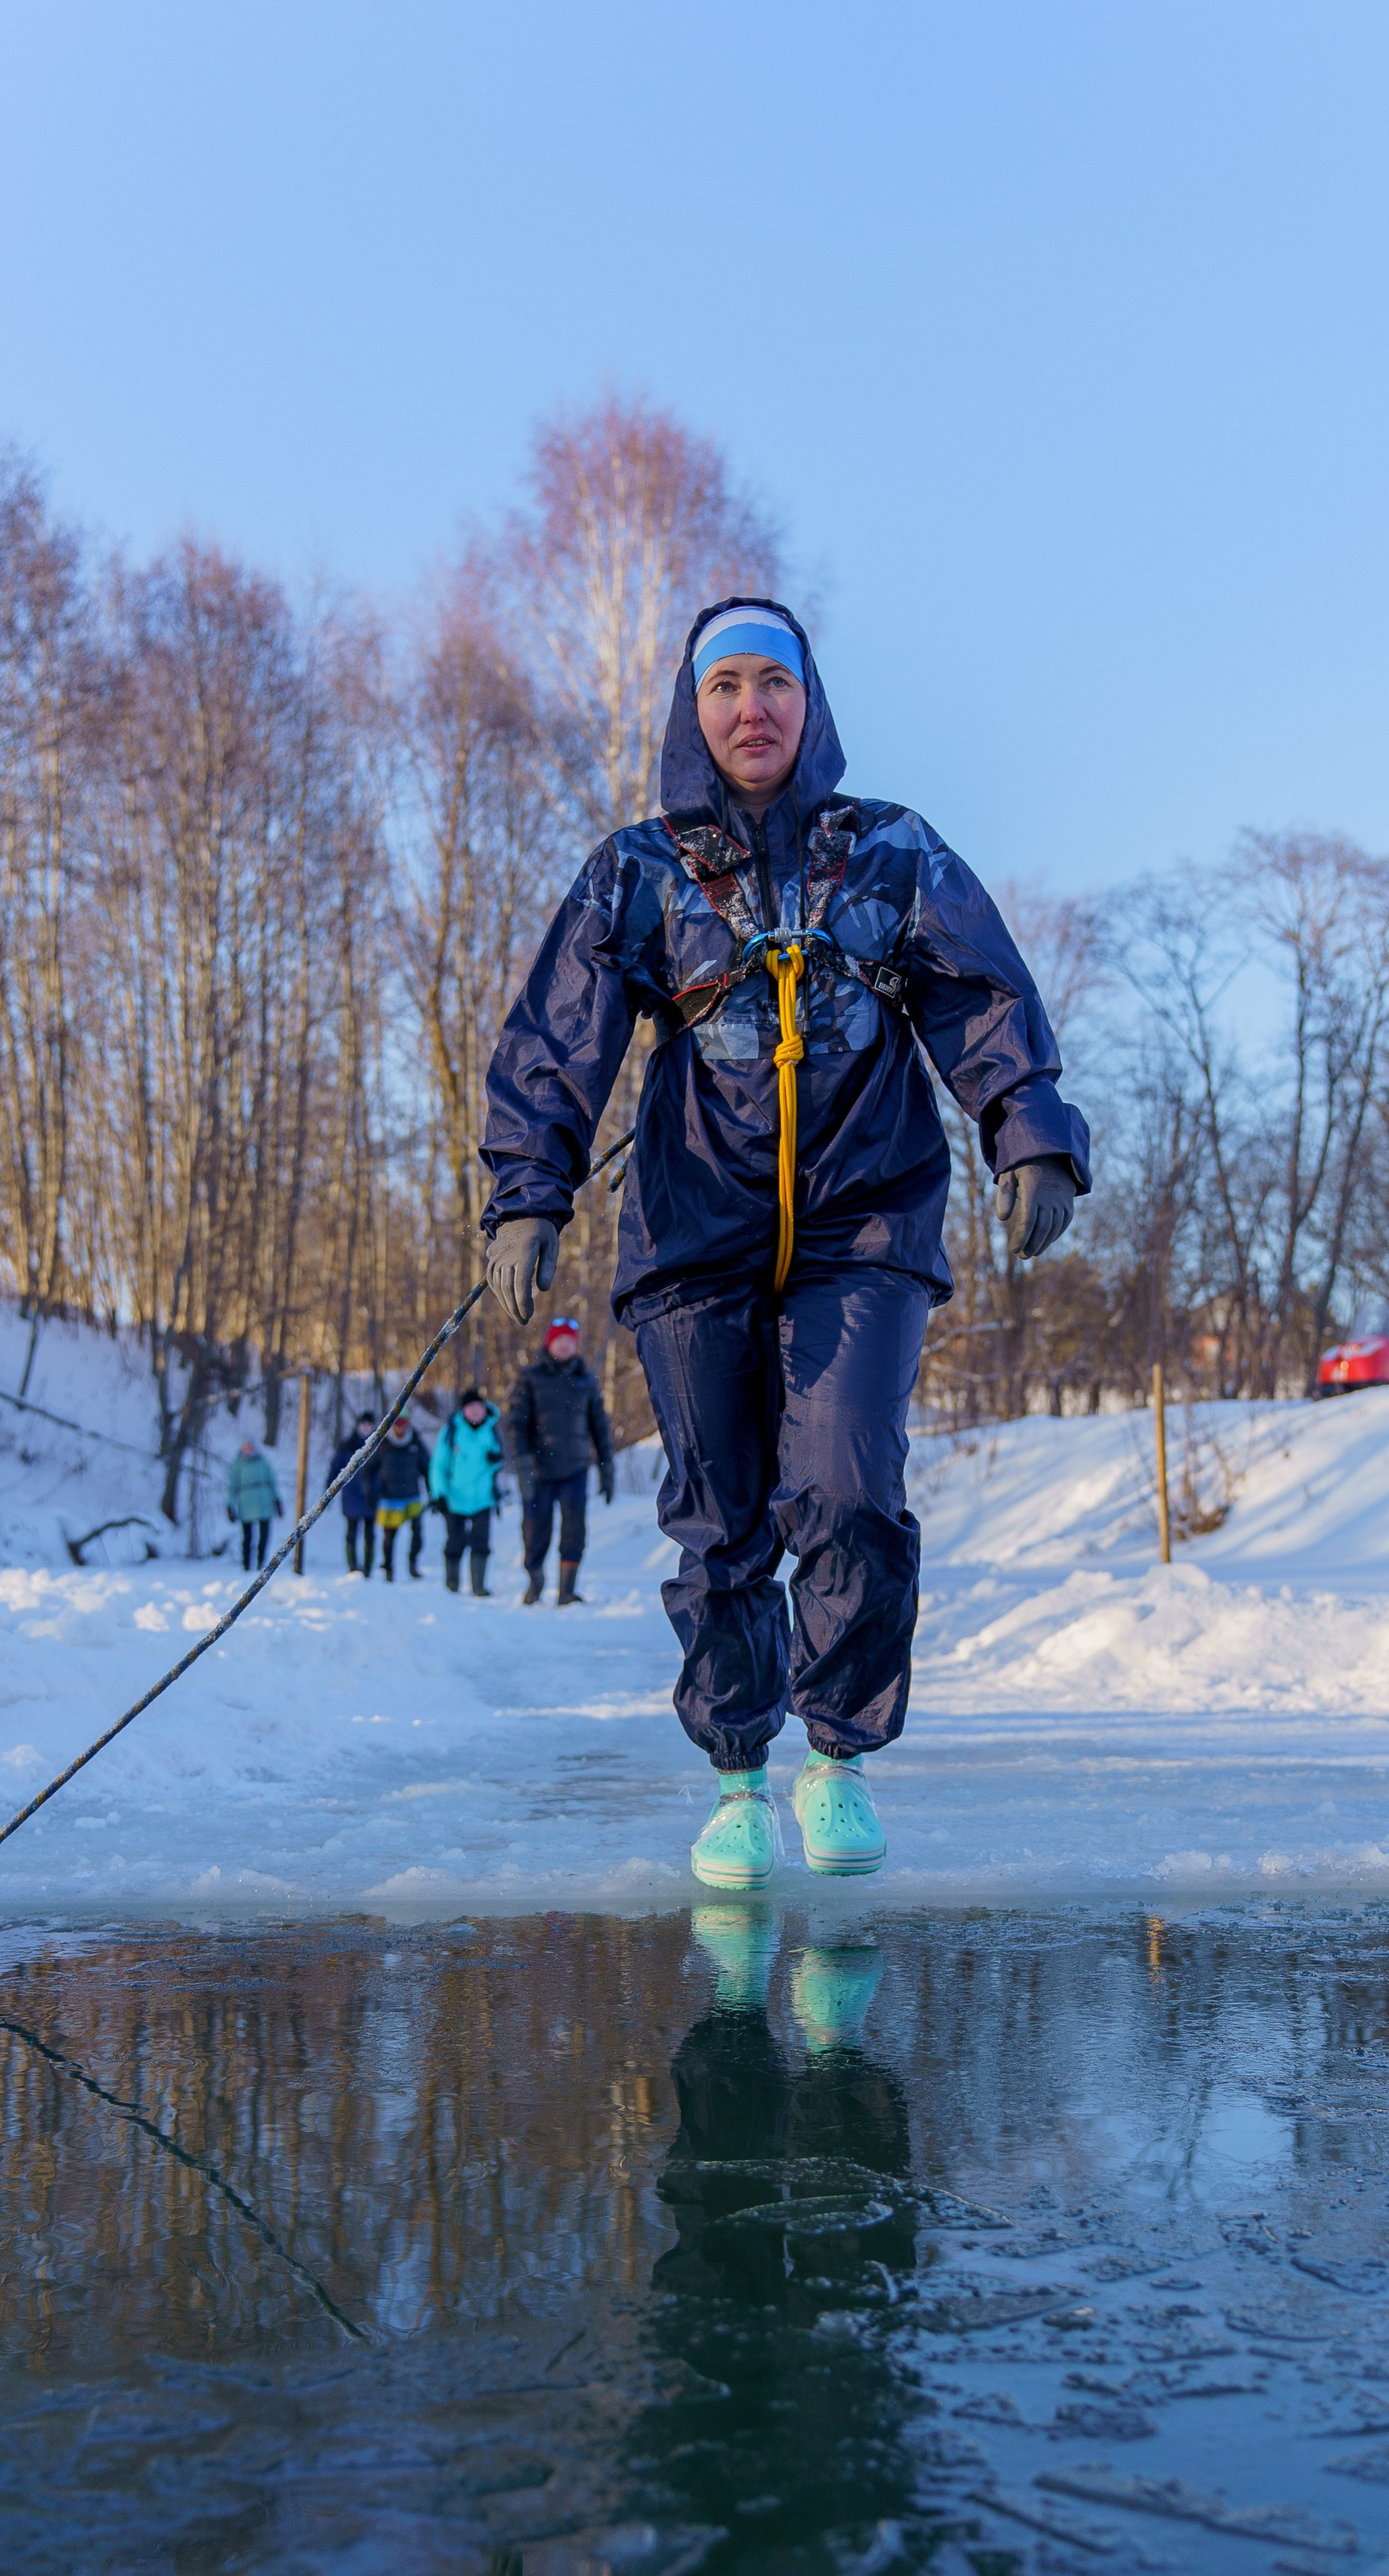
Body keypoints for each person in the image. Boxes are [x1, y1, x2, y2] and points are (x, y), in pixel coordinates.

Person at [480, 596, 1086, 1888]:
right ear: (692, 712)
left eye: (775, 682)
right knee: (720, 1516)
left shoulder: (892, 853)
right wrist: (530, 1190)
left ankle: (839, 1759)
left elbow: (982, 998)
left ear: (811, 704)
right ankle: (738, 1782)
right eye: (725, 686)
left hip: (866, 1225)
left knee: (849, 1489)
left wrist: (1027, 1127)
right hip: (694, 1233)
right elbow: (560, 1033)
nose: (751, 707)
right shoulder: (637, 870)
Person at [504, 1318, 614, 1606]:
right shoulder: (530, 1377)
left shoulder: (587, 1380)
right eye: (559, 1340)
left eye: (570, 1340)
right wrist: (522, 1464)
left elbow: (600, 1427)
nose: (564, 1345)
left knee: (574, 1531)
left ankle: (567, 1590)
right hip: (538, 1469)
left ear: (575, 1345)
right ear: (549, 1342)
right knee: (535, 1529)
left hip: (575, 1469)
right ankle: (535, 1581)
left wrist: (607, 1468)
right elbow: (516, 1423)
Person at [427, 1386, 503, 1596]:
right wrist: (439, 1493)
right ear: (463, 1410)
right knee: (455, 1542)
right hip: (455, 1498)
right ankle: (452, 1586)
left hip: (483, 1498)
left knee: (481, 1543)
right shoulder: (452, 1430)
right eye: (471, 1407)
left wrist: (496, 1460)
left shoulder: (492, 1430)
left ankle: (479, 1586)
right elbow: (438, 1465)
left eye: (478, 1407)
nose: (475, 1411)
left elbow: (498, 1461)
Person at [373, 1410, 431, 1581]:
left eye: (403, 1423)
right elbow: (369, 1470)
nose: (400, 1427)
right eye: (397, 1423)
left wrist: (432, 1493)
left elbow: (427, 1469)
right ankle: (388, 1568)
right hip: (390, 1498)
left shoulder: (416, 1443)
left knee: (417, 1533)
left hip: (412, 1496)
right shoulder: (383, 1443)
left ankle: (413, 1564)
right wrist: (371, 1492)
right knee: (389, 1537)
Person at [326, 1410, 379, 1575]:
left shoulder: (379, 1444)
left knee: (370, 1535)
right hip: (352, 1496)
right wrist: (329, 1492)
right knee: (352, 1533)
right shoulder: (347, 1446)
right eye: (363, 1424)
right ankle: (353, 1566)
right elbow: (335, 1469)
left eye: (369, 1425)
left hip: (372, 1496)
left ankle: (368, 1568)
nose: (366, 1428)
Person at [224, 1435, 282, 1571]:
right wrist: (230, 1505)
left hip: (264, 1502)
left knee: (264, 1536)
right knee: (248, 1537)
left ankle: (261, 1563)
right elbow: (232, 1486)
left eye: (251, 1446)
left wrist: (277, 1500)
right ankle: (246, 1565)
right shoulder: (238, 1464)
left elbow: (272, 1481)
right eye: (246, 1447)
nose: (249, 1449)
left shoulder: (263, 1461)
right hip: (246, 1503)